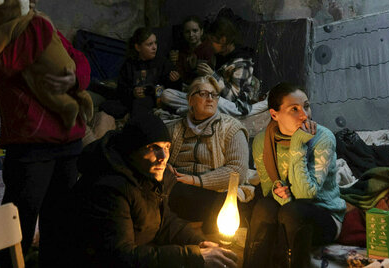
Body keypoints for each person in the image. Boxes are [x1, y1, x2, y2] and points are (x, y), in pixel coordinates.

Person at [0, 0, 90, 265]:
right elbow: (8, 64)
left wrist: (75, 78)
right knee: (18, 223)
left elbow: (76, 56)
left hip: (68, 139)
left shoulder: (41, 22)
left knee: (61, 221)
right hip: (30, 143)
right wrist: (37, 26)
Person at [58, 112, 238, 268]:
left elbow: (162, 221)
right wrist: (192, 255)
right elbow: (121, 257)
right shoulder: (109, 188)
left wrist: (199, 243)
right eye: (154, 148)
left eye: (167, 147)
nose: (163, 157)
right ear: (133, 150)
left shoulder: (149, 174)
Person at [243, 82, 346, 268]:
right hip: (285, 208)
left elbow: (307, 194)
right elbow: (268, 189)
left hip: (323, 214)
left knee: (292, 212)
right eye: (294, 109)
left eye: (306, 106)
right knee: (263, 206)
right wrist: (278, 191)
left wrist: (298, 144)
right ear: (274, 115)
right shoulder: (262, 142)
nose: (304, 115)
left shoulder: (323, 138)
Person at [166, 75, 256, 235]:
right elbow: (159, 160)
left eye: (214, 95)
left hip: (216, 192)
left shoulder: (231, 129)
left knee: (226, 205)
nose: (210, 99)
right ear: (190, 100)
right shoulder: (175, 129)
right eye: (203, 94)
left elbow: (237, 172)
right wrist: (167, 169)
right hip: (179, 189)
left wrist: (195, 180)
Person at [161, 16, 267, 117]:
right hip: (211, 97)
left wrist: (213, 75)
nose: (210, 44)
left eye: (212, 40)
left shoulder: (242, 62)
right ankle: (195, 109)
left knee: (216, 103)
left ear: (223, 40)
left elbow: (233, 97)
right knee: (167, 94)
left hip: (232, 105)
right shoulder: (217, 56)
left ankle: (193, 110)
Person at [102, 27, 181, 118]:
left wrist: (175, 80)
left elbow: (174, 90)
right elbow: (121, 90)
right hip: (134, 102)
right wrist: (133, 93)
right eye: (149, 44)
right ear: (138, 47)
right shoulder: (129, 65)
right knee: (106, 106)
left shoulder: (162, 62)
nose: (154, 47)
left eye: (155, 43)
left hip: (156, 102)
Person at [173, 15, 215, 85]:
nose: (191, 35)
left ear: (201, 31)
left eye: (195, 31)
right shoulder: (182, 51)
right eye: (187, 32)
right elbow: (180, 74)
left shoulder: (208, 49)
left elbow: (209, 74)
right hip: (186, 87)